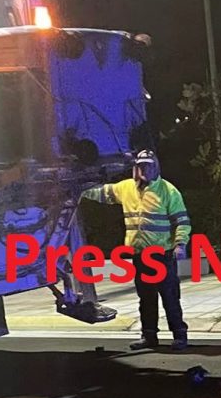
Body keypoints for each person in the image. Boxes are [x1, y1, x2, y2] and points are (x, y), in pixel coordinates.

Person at [81, 150, 191, 351]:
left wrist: (180, 244)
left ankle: (179, 335)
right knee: (146, 299)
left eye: (148, 165)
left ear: (155, 167)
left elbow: (182, 221)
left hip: (163, 255)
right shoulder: (126, 188)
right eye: (141, 166)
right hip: (140, 256)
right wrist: (78, 189)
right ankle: (149, 336)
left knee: (170, 298)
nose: (145, 169)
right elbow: (102, 193)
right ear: (136, 168)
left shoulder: (168, 191)